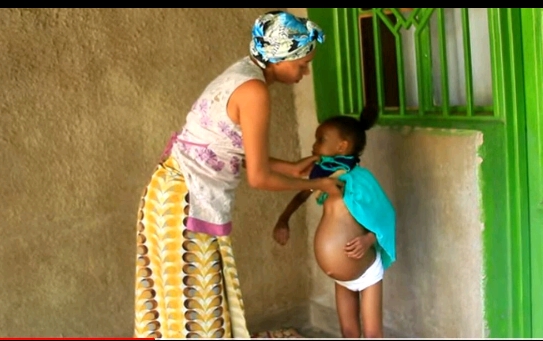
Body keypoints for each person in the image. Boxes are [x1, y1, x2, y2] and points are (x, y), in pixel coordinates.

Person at [133, 10, 342, 339]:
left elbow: (224, 148)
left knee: (177, 304)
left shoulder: (242, 74)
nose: (305, 71)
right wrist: (318, 183)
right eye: (302, 63)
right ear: (279, 57)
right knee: (197, 308)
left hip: (170, 194)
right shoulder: (254, 92)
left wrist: (288, 166)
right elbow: (259, 177)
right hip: (186, 202)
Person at [272, 111, 396, 338]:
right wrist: (283, 219)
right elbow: (301, 193)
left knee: (372, 334)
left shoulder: (360, 179)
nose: (314, 144)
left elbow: (385, 215)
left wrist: (368, 239)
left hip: (366, 270)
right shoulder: (323, 178)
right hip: (341, 276)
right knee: (348, 332)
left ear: (342, 146)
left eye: (321, 139)